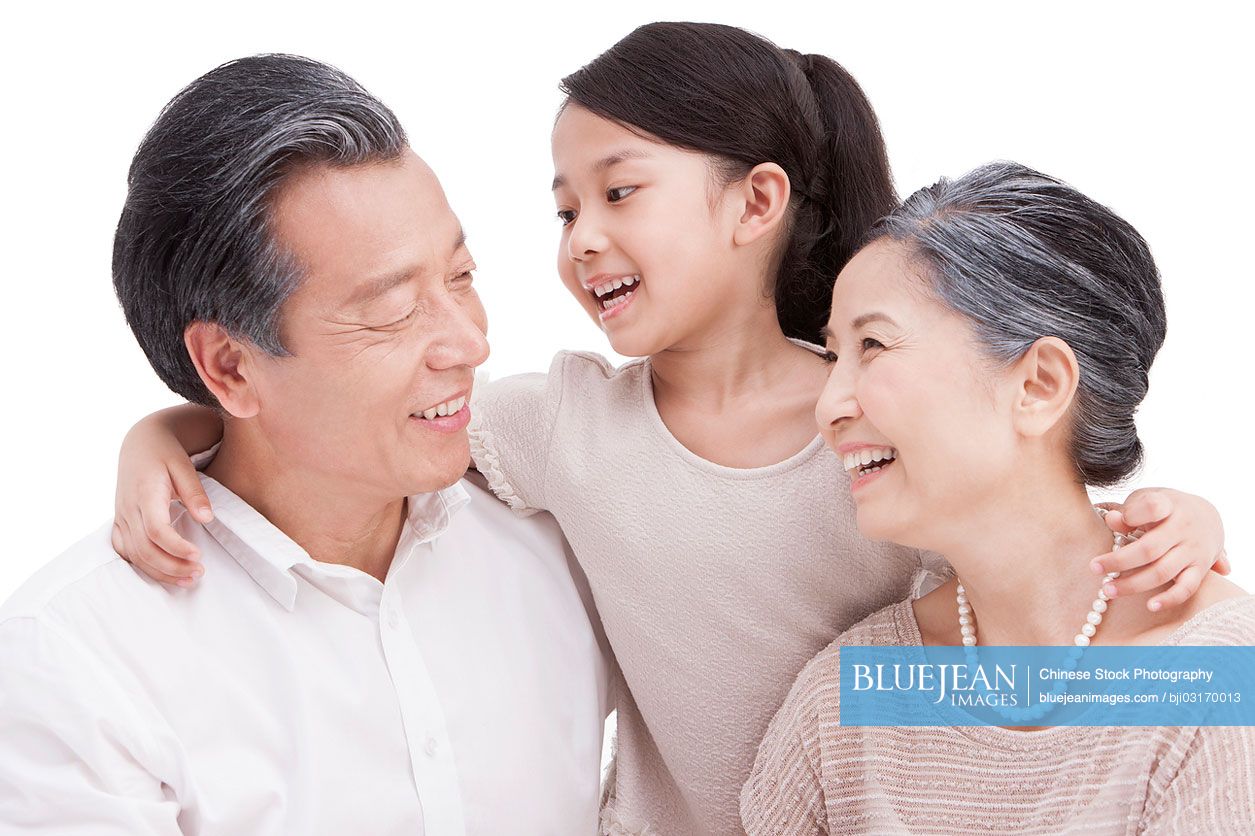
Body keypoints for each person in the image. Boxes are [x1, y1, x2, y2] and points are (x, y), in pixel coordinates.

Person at [108, 25, 1230, 835]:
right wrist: (174, 430)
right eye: (562, 208)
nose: (580, 237)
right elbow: (347, 415)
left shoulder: (887, 460)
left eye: (619, 192)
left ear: (757, 203)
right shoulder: (564, 425)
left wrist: (1175, 515)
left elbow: (1044, 572)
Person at [0, 55, 610, 835]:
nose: (468, 343)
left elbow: (807, 649)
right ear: (229, 365)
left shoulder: (560, 515)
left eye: (461, 276)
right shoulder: (78, 663)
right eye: (392, 311)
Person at [741, 162, 1255, 834]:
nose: (829, 405)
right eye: (833, 354)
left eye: (872, 344)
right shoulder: (848, 693)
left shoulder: (1213, 679)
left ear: (1038, 385)